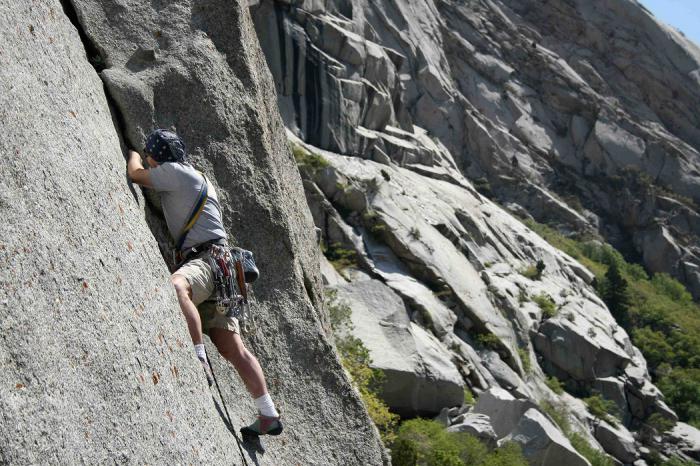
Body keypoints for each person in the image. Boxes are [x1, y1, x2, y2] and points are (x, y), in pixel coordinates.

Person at [127, 129, 282, 437]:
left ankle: (199, 359)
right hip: (226, 268)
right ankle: (268, 413)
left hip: (208, 262)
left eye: (151, 157)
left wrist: (134, 154)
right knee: (232, 347)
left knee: (178, 286)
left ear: (157, 157)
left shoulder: (174, 172)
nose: (148, 161)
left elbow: (135, 175)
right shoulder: (199, 177)